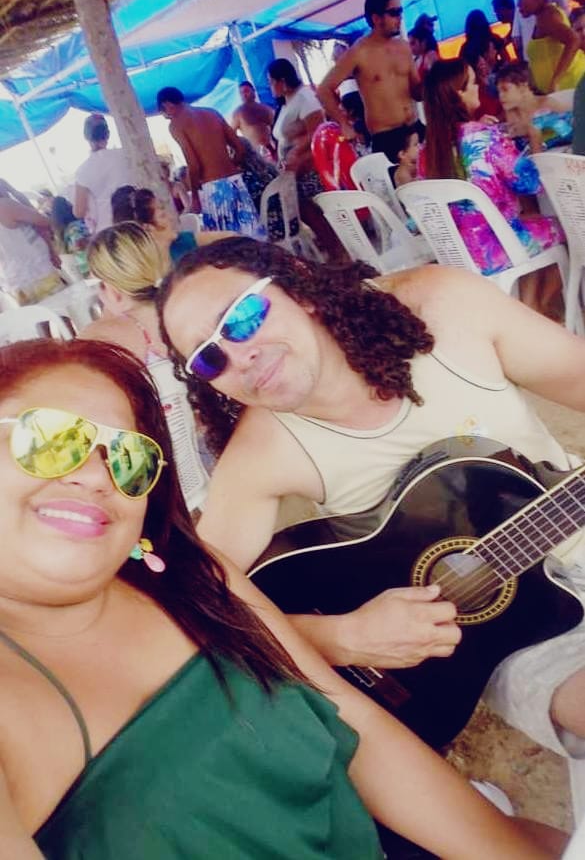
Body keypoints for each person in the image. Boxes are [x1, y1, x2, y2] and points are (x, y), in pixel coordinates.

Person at [0, 337, 559, 860]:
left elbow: (356, 725)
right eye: (50, 440)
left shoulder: (194, 576)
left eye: (128, 458)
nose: (98, 477)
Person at [158, 237, 585, 817]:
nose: (241, 356)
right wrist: (343, 637)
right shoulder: (262, 455)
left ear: (299, 286)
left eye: (243, 317)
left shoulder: (447, 310)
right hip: (517, 634)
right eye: (210, 359)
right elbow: (193, 607)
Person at [81, 222, 209, 512]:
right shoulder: (187, 315)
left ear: (112, 291)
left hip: (150, 492)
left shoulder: (100, 339)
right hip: (209, 469)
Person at [420, 58, 564, 315]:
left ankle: (528, 310)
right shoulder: (484, 137)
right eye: (473, 83)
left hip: (456, 254)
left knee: (530, 223)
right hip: (497, 247)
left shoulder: (426, 153)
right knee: (561, 229)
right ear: (459, 93)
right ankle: (538, 308)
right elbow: (531, 184)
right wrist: (534, 139)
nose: (480, 87)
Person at [317, 0, 422, 164]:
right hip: (387, 139)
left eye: (400, 11)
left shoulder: (404, 47)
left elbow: (417, 92)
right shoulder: (360, 52)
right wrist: (344, 123)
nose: (400, 18)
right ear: (376, 18)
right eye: (394, 13)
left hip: (415, 130)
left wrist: (436, 82)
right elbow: (324, 90)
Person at [156, 86, 265, 238]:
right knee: (252, 236)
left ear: (168, 104)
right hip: (235, 181)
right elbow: (239, 147)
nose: (165, 117)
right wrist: (231, 165)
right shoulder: (211, 113)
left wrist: (195, 196)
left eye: (163, 111)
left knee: (224, 241)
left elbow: (194, 164)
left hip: (213, 187)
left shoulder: (176, 125)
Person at [267, 58, 340, 258]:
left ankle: (338, 251)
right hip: (295, 169)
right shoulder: (286, 103)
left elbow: (317, 132)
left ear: (282, 81)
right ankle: (333, 249)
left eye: (271, 82)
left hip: (309, 167)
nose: (270, 87)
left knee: (318, 213)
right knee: (309, 213)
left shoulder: (305, 98)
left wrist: (297, 153)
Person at [518, 0, 585, 94]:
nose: (518, 3)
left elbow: (574, 40)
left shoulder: (547, 16)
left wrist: (555, 81)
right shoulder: (544, 15)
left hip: (571, 87)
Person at [0, 189, 63, 304]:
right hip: (38, 272)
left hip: (13, 282)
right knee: (60, 310)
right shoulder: (5, 205)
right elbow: (43, 221)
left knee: (35, 315)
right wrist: (14, 192)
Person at [74, 113, 133, 234]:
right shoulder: (125, 155)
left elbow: (79, 211)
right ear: (108, 134)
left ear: (86, 136)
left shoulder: (83, 170)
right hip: (135, 217)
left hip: (107, 228)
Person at [495, 63, 573, 150]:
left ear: (523, 87)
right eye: (498, 91)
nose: (500, 96)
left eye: (505, 89)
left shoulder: (547, 105)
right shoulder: (510, 111)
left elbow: (571, 130)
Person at [231, 80, 276, 160]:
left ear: (253, 91)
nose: (244, 95)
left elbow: (275, 126)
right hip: (254, 153)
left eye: (246, 91)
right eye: (241, 93)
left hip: (271, 149)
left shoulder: (265, 108)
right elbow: (232, 134)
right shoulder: (238, 113)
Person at [50, 196, 91, 279]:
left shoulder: (61, 231)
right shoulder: (75, 226)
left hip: (80, 266)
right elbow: (79, 244)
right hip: (90, 262)